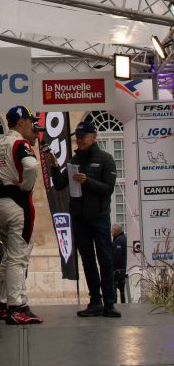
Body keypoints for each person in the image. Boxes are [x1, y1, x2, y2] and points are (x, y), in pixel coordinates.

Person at [49, 119, 121, 318]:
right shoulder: (74, 160)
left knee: (105, 259)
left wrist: (87, 181)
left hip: (99, 217)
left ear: (93, 137)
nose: (79, 141)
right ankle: (95, 301)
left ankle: (109, 302)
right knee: (87, 260)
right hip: (79, 218)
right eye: (77, 138)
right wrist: (55, 167)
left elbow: (108, 189)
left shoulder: (106, 159)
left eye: (83, 137)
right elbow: (61, 184)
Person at [0, 105, 43, 325]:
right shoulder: (20, 143)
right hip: (18, 204)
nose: (32, 126)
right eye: (30, 121)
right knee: (18, 257)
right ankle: (17, 307)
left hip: (0, 204)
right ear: (22, 122)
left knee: (7, 258)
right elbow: (32, 166)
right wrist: (26, 187)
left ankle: (3, 305)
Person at [112, 223, 127, 304]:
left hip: (118, 269)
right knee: (122, 291)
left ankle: (113, 305)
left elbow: (116, 255)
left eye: (112, 230)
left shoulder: (119, 240)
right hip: (122, 268)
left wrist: (111, 266)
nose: (111, 232)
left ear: (116, 231)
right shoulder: (123, 238)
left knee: (113, 288)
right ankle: (123, 304)